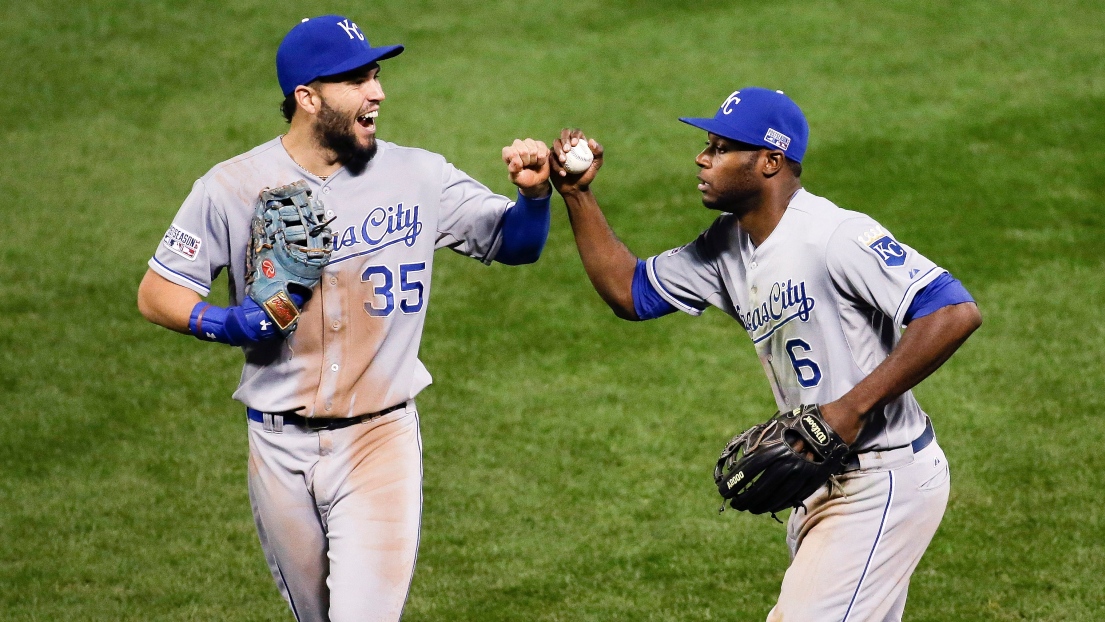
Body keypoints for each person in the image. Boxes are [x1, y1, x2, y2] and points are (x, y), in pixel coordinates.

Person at [136, 15, 553, 622]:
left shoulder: (419, 175)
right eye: (355, 80)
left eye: (375, 75)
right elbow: (157, 293)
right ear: (307, 98)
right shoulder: (232, 186)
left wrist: (535, 197)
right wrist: (225, 323)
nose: (377, 92)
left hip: (379, 440)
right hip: (277, 446)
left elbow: (516, 243)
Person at [548, 87, 982, 621]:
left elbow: (952, 311)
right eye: (707, 145)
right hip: (817, 481)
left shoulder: (835, 234)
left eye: (721, 147)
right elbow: (630, 292)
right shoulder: (725, 246)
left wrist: (849, 409)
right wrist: (576, 196)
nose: (702, 159)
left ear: (771, 161)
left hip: (882, 480)